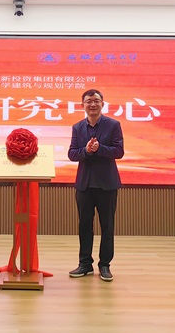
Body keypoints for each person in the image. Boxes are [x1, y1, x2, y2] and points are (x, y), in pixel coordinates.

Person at [67, 88, 124, 282]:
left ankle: (105, 265)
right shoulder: (77, 127)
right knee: (84, 225)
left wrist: (99, 148)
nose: (92, 104)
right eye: (88, 101)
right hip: (84, 185)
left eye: (96, 101)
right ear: (82, 105)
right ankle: (85, 264)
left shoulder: (113, 125)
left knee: (107, 226)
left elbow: (119, 151)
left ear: (102, 104)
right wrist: (86, 150)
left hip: (107, 184)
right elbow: (72, 154)